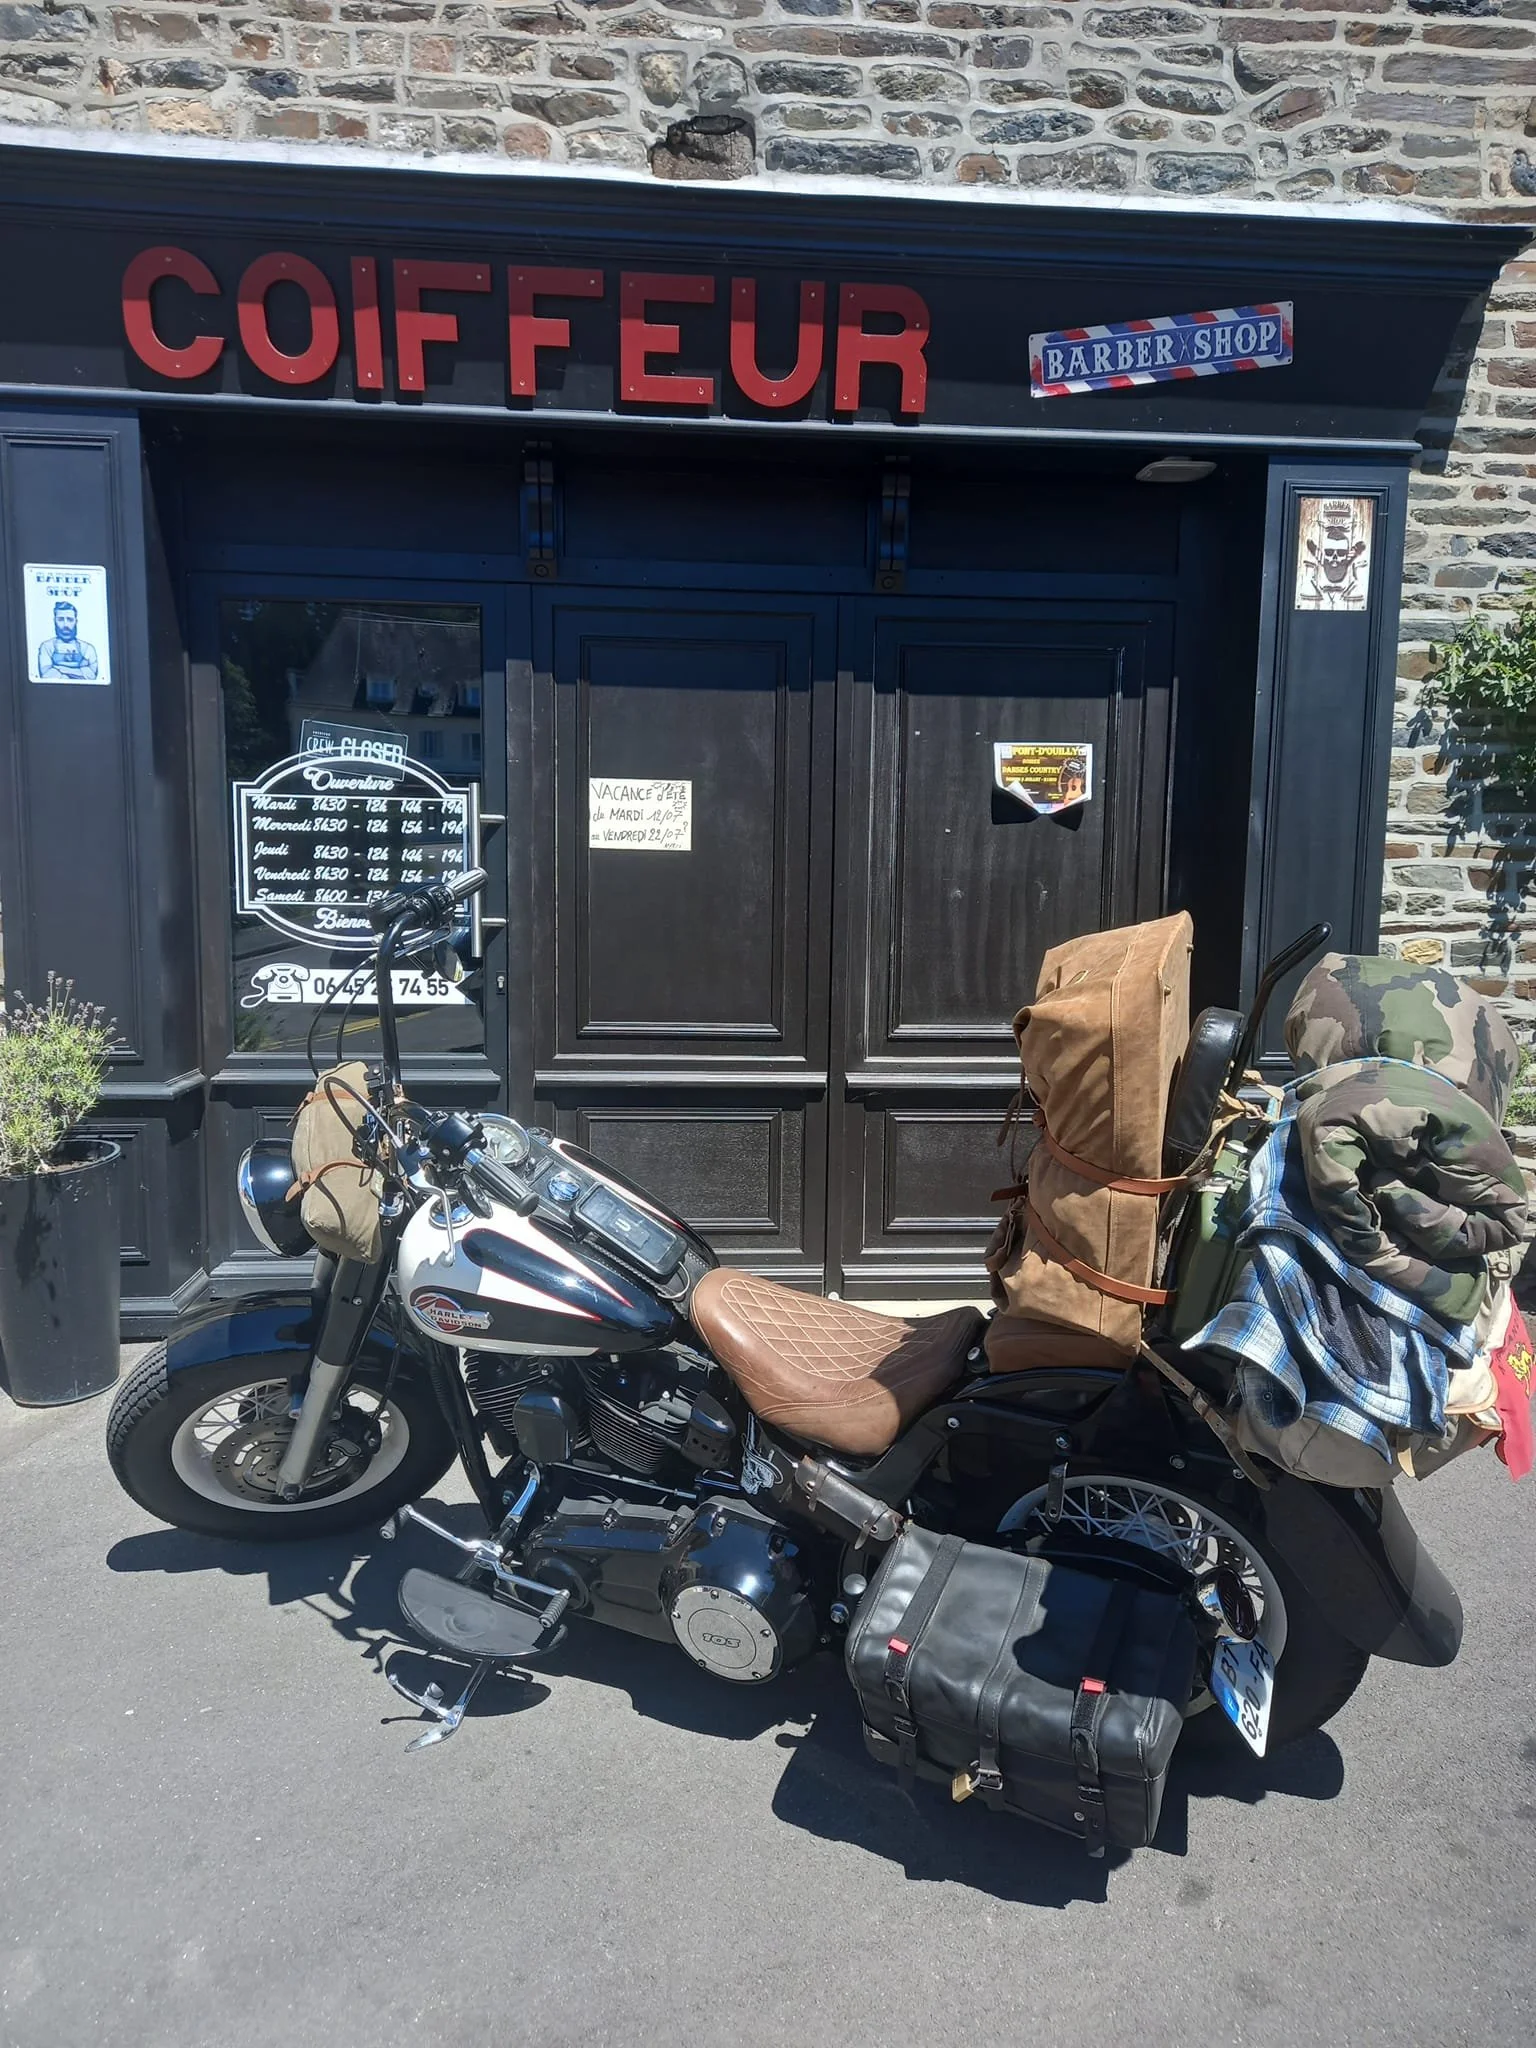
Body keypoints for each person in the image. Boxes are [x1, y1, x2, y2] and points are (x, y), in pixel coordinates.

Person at [36, 599, 99, 681]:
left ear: (76, 621)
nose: (66, 625)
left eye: (70, 620)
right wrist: (80, 672)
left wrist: (62, 669)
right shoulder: (46, 647)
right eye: (61, 619)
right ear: (54, 621)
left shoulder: (87, 648)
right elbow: (46, 675)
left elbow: (91, 675)